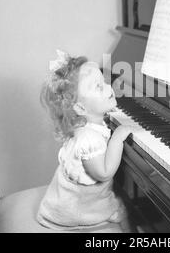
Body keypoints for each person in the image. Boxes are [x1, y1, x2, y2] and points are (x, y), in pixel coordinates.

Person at [37, 50, 136, 232]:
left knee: (123, 203)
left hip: (69, 201)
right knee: (123, 210)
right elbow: (104, 173)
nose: (108, 88)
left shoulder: (86, 125)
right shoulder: (88, 139)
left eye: (104, 82)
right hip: (75, 210)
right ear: (81, 107)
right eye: (99, 87)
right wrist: (117, 139)